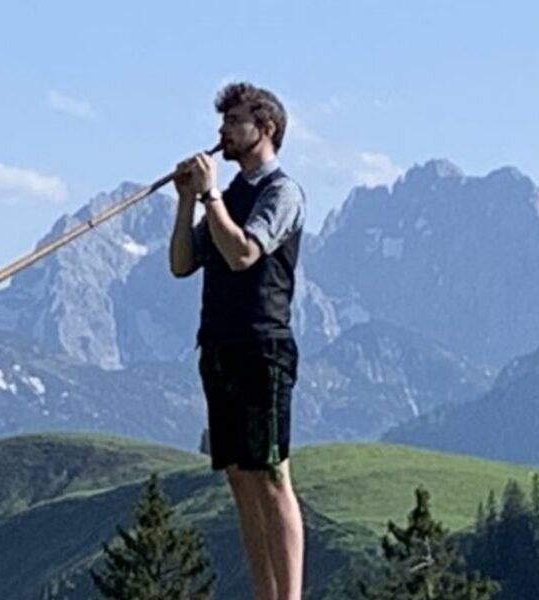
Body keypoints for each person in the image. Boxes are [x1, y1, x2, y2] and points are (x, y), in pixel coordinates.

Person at [168, 81, 306, 600]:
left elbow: (245, 253)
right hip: (220, 346)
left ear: (265, 128)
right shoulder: (225, 198)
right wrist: (187, 203)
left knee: (271, 475)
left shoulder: (280, 192)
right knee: (240, 480)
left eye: (234, 122)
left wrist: (209, 195)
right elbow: (183, 263)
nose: (223, 133)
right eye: (222, 122)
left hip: (262, 347)